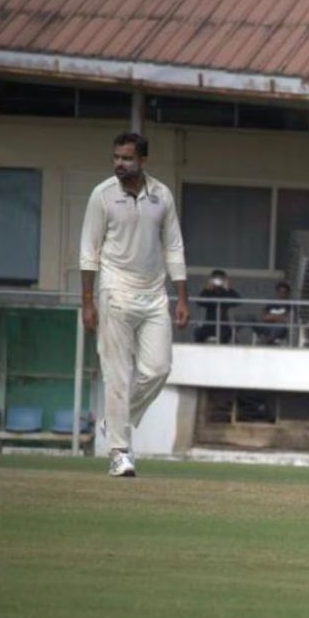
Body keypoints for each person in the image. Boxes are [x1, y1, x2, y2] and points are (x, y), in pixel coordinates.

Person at [80, 132, 189, 477]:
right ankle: (119, 452)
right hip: (115, 290)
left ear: (143, 160)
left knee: (158, 369)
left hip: (154, 293)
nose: (119, 164)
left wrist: (182, 296)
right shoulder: (102, 195)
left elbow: (174, 247)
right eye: (116, 157)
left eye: (127, 158)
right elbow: (89, 251)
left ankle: (116, 422)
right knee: (116, 375)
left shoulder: (161, 195)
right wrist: (87, 302)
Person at [194, 269, 241, 344]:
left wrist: (229, 289)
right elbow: (199, 302)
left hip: (223, 325)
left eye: (220, 279)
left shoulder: (226, 293)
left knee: (227, 335)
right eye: (216, 279)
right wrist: (207, 289)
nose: (218, 282)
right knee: (198, 333)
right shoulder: (209, 293)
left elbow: (238, 301)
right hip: (209, 324)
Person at [255, 281, 294, 345]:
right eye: (279, 291)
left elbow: (288, 320)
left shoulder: (290, 305)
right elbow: (264, 317)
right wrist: (279, 317)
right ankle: (270, 340)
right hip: (267, 326)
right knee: (251, 319)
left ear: (287, 294)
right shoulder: (270, 304)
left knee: (281, 326)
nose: (281, 294)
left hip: (280, 328)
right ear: (277, 292)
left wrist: (272, 316)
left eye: (284, 292)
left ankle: (268, 341)